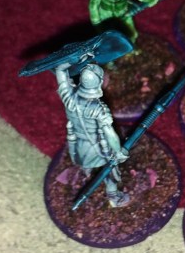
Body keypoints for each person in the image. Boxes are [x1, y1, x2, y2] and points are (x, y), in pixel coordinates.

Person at [54, 61, 130, 207]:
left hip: (78, 146)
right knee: (109, 172)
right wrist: (118, 151)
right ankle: (113, 197)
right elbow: (109, 133)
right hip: (98, 148)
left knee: (87, 166)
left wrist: (69, 60)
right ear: (99, 82)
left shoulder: (69, 97)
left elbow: (60, 71)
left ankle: (85, 175)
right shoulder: (99, 109)